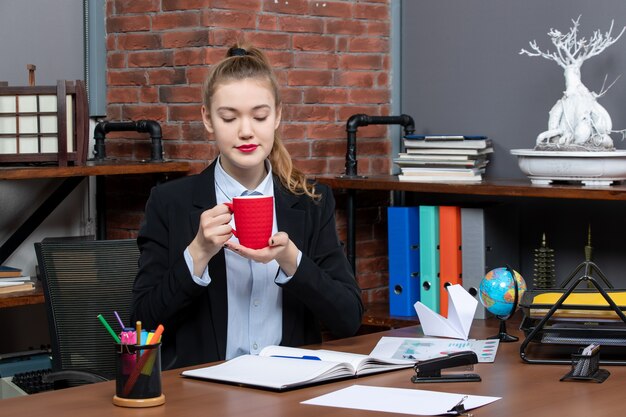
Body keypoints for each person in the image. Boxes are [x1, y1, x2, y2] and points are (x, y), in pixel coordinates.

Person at [131, 44, 363, 370]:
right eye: (229, 117)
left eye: (259, 116)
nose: (245, 131)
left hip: (288, 389)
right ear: (207, 119)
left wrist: (291, 260)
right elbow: (142, 323)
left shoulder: (311, 202)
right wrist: (197, 253)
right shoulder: (171, 203)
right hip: (204, 394)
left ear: (278, 116)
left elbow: (349, 318)